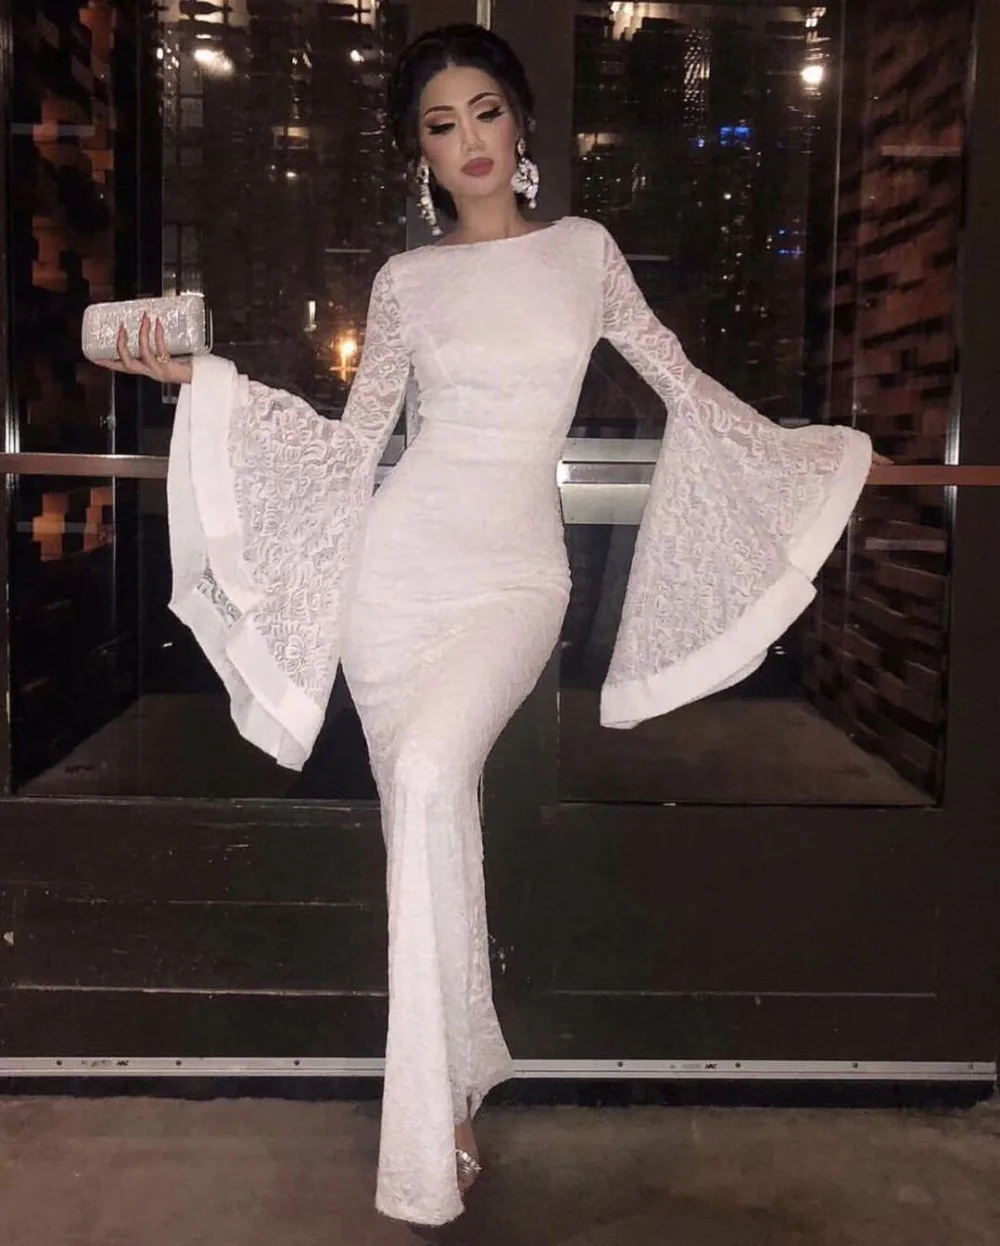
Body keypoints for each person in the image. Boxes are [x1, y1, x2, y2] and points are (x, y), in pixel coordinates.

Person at [95, 22, 887, 1230]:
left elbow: (678, 381)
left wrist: (807, 466)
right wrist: (205, 384)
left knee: (427, 775)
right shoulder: (405, 282)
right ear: (419, 151)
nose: (467, 139)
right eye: (439, 124)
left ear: (520, 123)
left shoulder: (583, 252)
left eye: (483, 111)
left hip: (516, 580)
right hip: (393, 578)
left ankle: (433, 1121)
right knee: (424, 818)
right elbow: (353, 447)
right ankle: (448, 1101)